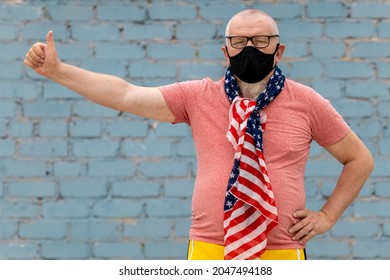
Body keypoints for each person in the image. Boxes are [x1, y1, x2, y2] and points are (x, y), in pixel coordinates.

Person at [24, 9, 374, 260]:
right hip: (210, 248)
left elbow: (359, 159)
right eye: (239, 40)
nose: (249, 47)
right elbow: (125, 94)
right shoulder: (198, 96)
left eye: (261, 39)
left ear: (278, 50)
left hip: (282, 251)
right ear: (225, 51)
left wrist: (327, 216)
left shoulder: (307, 101)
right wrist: (57, 71)